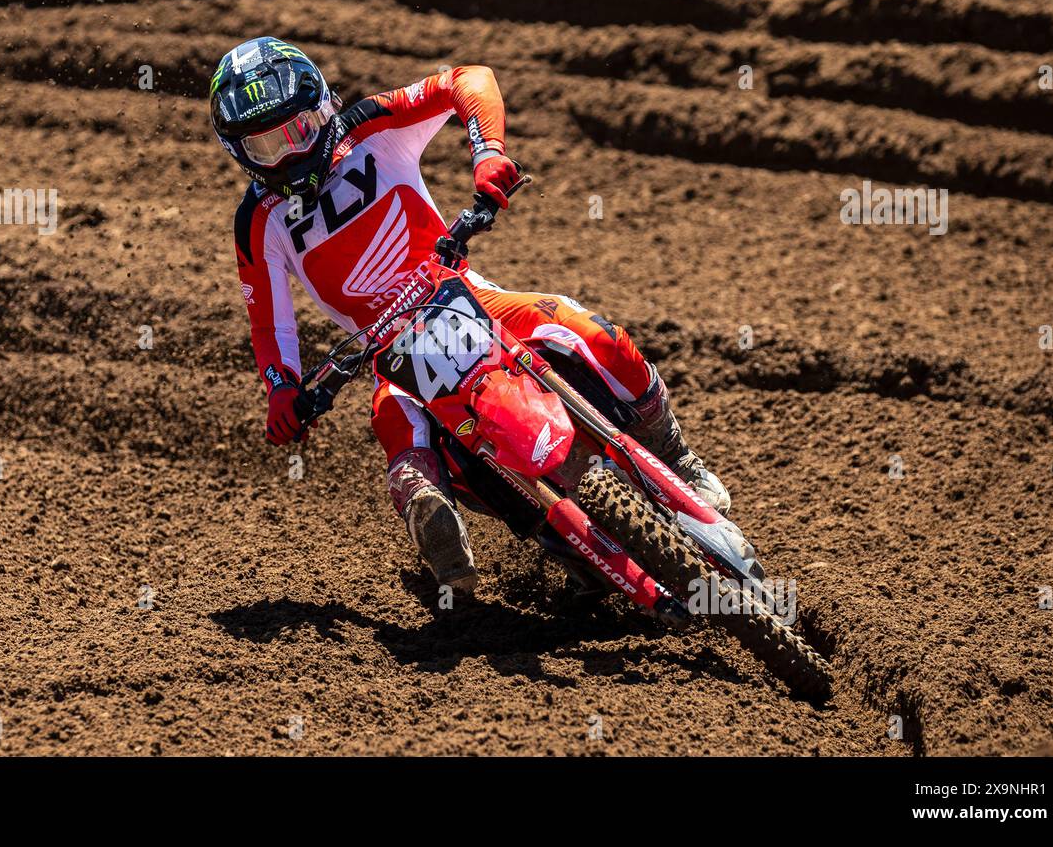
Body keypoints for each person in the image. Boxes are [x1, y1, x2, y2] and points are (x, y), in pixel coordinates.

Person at [212, 36, 729, 593]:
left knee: (591, 334)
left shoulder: (371, 128)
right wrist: (281, 386)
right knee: (400, 438)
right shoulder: (258, 222)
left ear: (322, 107)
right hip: (390, 352)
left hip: (468, 295)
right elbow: (269, 321)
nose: (288, 153)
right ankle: (447, 548)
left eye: (297, 131)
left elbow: (467, 79)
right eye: (265, 146)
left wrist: (488, 151)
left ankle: (677, 455)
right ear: (240, 153)